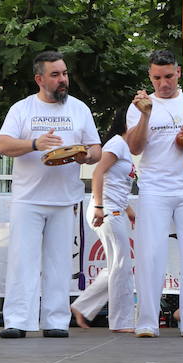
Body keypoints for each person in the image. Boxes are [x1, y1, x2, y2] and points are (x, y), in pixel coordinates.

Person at [0, 50, 101, 338]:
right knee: (22, 262)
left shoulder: (79, 109)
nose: (62, 79)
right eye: (55, 75)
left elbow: (96, 149)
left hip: (65, 199)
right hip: (28, 199)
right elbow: (2, 145)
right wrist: (34, 143)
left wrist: (86, 155)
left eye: (64, 73)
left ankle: (55, 321)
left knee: (59, 263)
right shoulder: (22, 109)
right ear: (39, 79)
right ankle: (18, 321)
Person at [124, 50, 183, 338]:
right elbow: (134, 147)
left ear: (179, 73)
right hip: (154, 187)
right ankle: (147, 321)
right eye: (157, 78)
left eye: (168, 76)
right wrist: (145, 115)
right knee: (150, 253)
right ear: (150, 76)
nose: (163, 83)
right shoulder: (140, 105)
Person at [71, 111, 138, 332]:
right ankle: (120, 321)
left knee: (117, 265)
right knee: (121, 266)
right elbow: (98, 173)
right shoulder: (117, 144)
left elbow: (116, 183)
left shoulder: (123, 146)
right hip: (107, 211)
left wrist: (128, 209)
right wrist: (99, 206)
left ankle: (82, 306)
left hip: (113, 209)